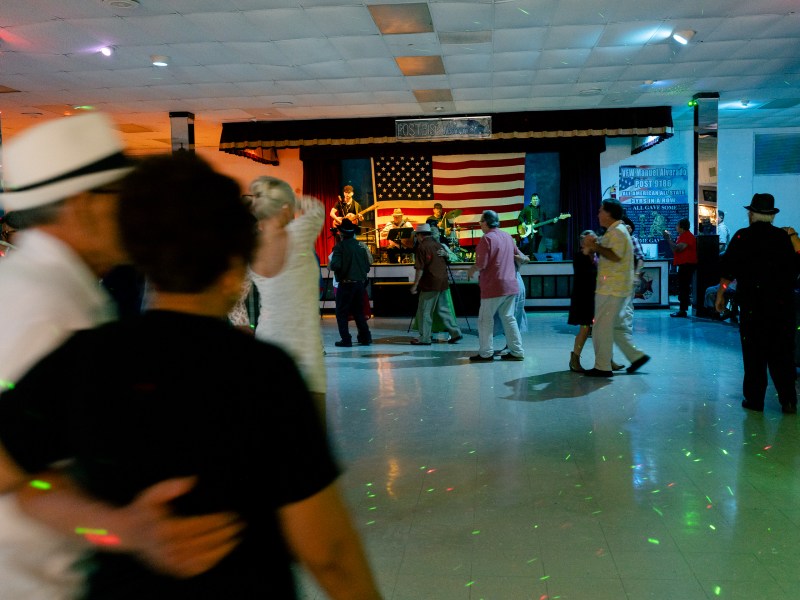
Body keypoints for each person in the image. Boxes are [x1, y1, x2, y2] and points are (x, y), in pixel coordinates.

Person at [0, 153, 383, 599]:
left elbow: (21, 477)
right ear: (233, 261)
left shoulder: (88, 356)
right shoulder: (261, 373)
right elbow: (328, 551)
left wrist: (116, 529)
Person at [0, 114, 242, 598]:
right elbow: (16, 470)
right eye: (124, 197)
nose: (138, 214)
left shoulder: (59, 288)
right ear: (83, 205)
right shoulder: (45, 309)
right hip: (38, 579)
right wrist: (116, 528)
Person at [248, 177, 327, 418]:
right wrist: (296, 199)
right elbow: (317, 208)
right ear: (285, 209)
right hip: (303, 341)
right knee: (313, 423)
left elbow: (238, 294)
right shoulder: (298, 233)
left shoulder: (250, 248)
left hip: (267, 339)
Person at [715, 193, 800, 414]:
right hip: (782, 306)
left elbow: (728, 271)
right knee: (783, 353)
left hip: (753, 306)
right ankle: (788, 399)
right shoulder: (783, 238)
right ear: (771, 216)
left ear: (751, 214)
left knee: (754, 354)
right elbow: (795, 268)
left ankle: (754, 399)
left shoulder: (743, 237)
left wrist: (720, 295)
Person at [583, 199, 650, 377]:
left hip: (612, 288)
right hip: (617, 287)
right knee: (616, 328)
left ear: (608, 213)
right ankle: (636, 356)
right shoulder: (615, 232)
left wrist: (594, 246)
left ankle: (602, 366)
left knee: (602, 327)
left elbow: (615, 255)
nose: (598, 214)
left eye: (600, 211)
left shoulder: (618, 232)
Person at [466, 210, 525, 362]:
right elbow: (521, 256)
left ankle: (485, 353)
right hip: (511, 284)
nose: (479, 223)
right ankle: (517, 351)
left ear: (486, 222)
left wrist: (471, 270)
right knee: (509, 318)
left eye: (481, 221)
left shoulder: (487, 238)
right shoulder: (507, 236)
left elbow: (481, 263)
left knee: (485, 319)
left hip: (494, 286)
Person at [409, 223, 462, 345]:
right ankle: (455, 333)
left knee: (425, 311)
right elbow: (449, 258)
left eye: (416, 235)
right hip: (442, 282)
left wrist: (415, 284)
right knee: (444, 310)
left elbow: (420, 269)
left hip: (430, 283)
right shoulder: (438, 245)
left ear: (420, 235)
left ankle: (425, 338)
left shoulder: (422, 247)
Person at [330, 218, 373, 347]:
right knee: (358, 312)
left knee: (341, 313)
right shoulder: (361, 246)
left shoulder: (339, 247)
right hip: (360, 284)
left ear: (341, 233)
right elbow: (367, 267)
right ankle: (365, 338)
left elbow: (335, 265)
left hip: (346, 284)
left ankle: (346, 339)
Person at [664, 217, 697, 318]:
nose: (675, 227)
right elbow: (676, 249)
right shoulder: (682, 236)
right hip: (684, 264)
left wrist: (668, 239)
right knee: (683, 287)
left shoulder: (687, 236)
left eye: (677, 225)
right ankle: (683, 309)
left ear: (682, 227)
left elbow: (677, 249)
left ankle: (682, 310)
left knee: (684, 287)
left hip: (687, 264)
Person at [517, 192, 546, 258]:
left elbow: (547, 219)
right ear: (531, 200)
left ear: (539, 200)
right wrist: (523, 222)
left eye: (536, 199)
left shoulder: (542, 209)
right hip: (531, 230)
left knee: (536, 247)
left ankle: (534, 258)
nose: (535, 201)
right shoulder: (528, 208)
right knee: (532, 245)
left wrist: (553, 221)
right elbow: (520, 216)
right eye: (534, 199)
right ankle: (532, 258)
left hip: (540, 231)